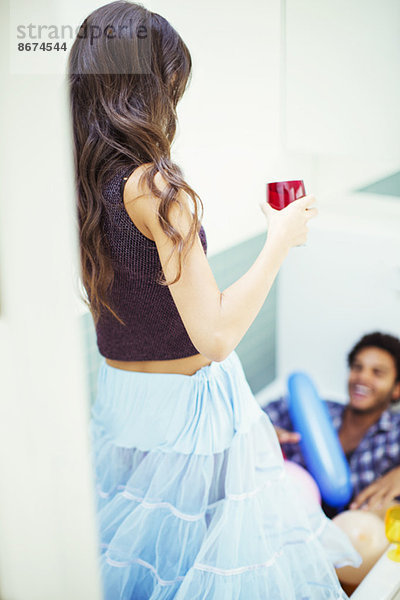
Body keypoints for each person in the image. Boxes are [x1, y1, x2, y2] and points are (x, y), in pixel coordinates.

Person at [67, 2, 361, 598]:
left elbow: (147, 304)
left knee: (144, 567)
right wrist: (279, 239)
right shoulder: (156, 186)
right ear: (147, 86)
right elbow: (218, 335)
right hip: (191, 416)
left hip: (122, 405)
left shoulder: (72, 180)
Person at [265, 332, 400, 518]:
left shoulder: (396, 431)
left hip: (353, 538)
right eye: (357, 367)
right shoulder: (314, 409)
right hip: (284, 520)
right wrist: (261, 431)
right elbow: (249, 417)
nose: (362, 377)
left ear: (396, 388)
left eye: (377, 373)